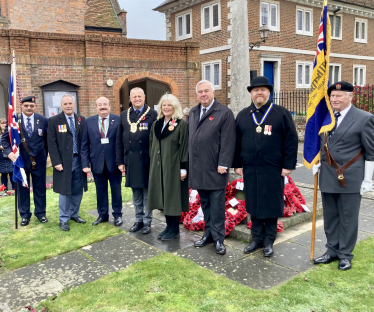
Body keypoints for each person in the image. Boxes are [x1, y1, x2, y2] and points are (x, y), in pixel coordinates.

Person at [233, 76, 298, 257]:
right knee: (253, 203)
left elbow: (291, 140)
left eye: (263, 89)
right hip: (250, 168)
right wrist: (237, 164)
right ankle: (256, 239)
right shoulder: (244, 115)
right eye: (255, 90)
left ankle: (269, 241)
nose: (259, 92)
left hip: (273, 168)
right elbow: (236, 142)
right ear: (251, 94)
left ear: (269, 92)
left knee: (270, 204)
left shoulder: (280, 113)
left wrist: (288, 165)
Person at [312, 81, 374, 271]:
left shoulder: (364, 118)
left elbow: (371, 152)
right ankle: (331, 250)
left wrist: (368, 179)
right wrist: (316, 161)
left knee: (348, 217)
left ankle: (345, 254)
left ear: (350, 96)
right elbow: (321, 142)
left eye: (339, 95)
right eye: (332, 96)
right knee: (330, 216)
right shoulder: (327, 117)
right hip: (328, 174)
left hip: (350, 177)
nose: (334, 99)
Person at [189, 80, 236, 255]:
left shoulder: (224, 113)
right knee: (206, 205)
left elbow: (228, 140)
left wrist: (223, 163)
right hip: (198, 169)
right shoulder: (193, 112)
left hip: (216, 169)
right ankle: (208, 235)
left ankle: (218, 240)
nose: (203, 94)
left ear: (213, 92)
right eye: (200, 91)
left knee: (217, 207)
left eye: (206, 91)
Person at [1, 96, 49, 226]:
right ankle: (25, 215)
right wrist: (9, 152)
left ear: (35, 106)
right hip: (20, 161)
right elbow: (5, 140)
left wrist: (44, 156)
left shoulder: (43, 120)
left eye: (31, 106)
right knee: (22, 189)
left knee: (40, 188)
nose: (29, 108)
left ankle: (41, 213)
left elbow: (47, 141)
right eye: (26, 105)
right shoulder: (14, 120)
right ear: (21, 105)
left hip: (38, 161)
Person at [116, 87, 157, 234]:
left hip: (147, 161)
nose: (137, 99)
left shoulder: (153, 114)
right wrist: (120, 161)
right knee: (136, 194)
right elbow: (119, 140)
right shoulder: (124, 115)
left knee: (146, 194)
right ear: (130, 99)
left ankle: (147, 221)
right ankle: (138, 220)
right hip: (131, 161)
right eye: (134, 97)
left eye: (140, 96)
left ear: (144, 97)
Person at [148, 94, 189, 240]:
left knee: (173, 197)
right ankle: (168, 226)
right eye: (163, 105)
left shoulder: (180, 124)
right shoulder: (156, 124)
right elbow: (152, 145)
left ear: (174, 107)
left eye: (169, 105)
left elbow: (184, 147)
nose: (166, 108)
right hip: (158, 166)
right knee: (164, 196)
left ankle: (174, 229)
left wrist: (183, 168)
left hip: (173, 165)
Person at [48, 94, 87, 231]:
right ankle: (63, 218)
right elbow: (51, 144)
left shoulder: (81, 120)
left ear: (74, 104)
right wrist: (56, 162)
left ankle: (74, 214)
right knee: (65, 191)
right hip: (63, 162)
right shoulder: (53, 121)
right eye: (65, 104)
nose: (68, 106)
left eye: (70, 103)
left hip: (78, 160)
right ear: (61, 106)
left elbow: (84, 142)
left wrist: (86, 162)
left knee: (77, 189)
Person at [81, 97, 123, 227]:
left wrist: (122, 161)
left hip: (114, 162)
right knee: (100, 191)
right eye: (100, 105)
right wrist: (85, 163)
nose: (102, 107)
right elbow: (84, 144)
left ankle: (117, 215)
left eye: (105, 104)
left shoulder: (118, 120)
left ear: (110, 106)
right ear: (96, 107)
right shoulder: (88, 121)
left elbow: (122, 142)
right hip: (97, 162)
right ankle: (102, 215)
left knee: (116, 190)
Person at [0, 118, 15, 192]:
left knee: (12, 172)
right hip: (1, 157)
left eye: (5, 123)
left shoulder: (9, 133)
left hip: (9, 156)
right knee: (3, 174)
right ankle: (4, 190)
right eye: (2, 123)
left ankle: (14, 189)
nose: (4, 125)